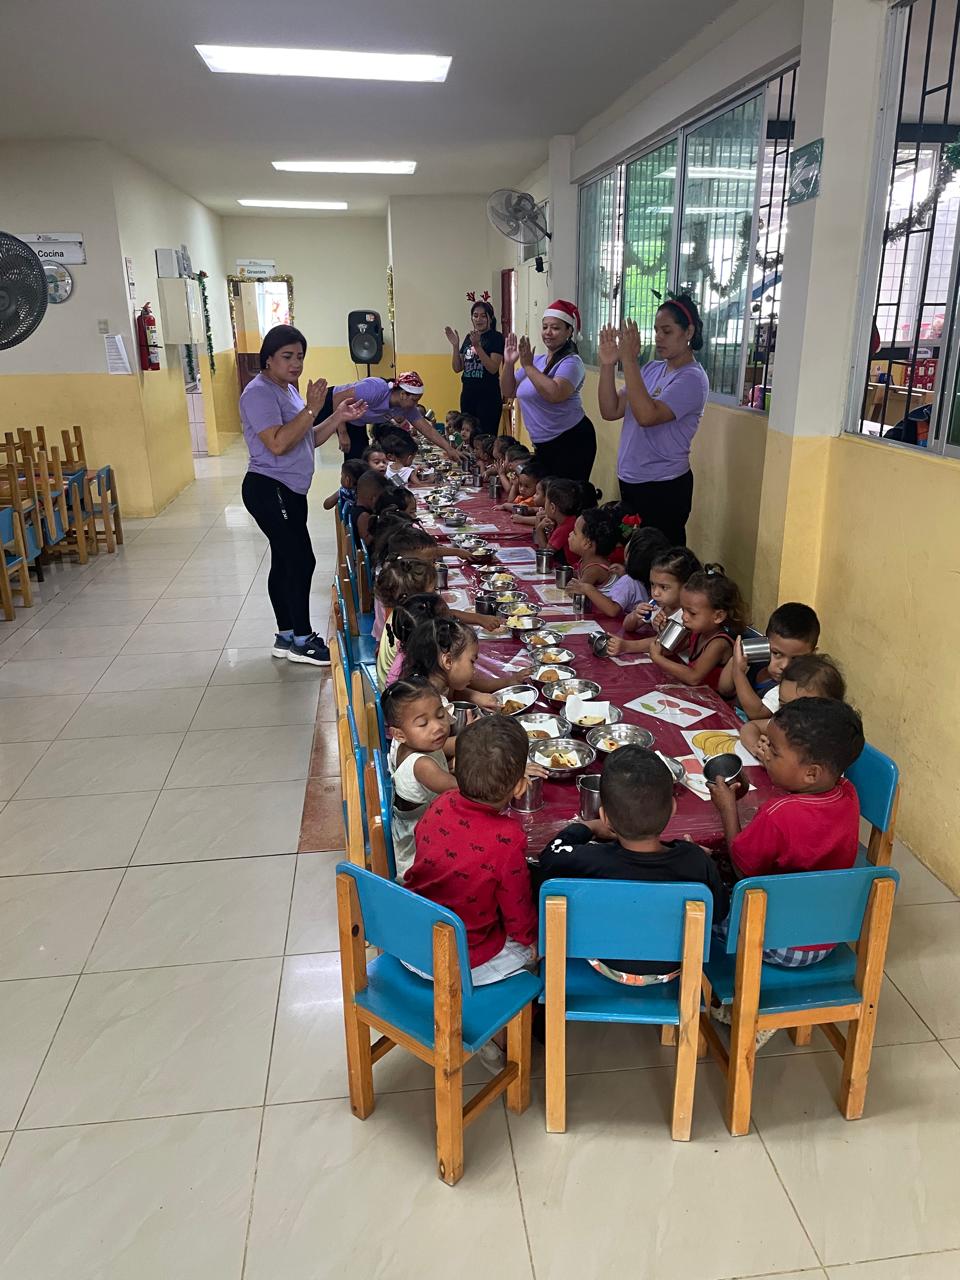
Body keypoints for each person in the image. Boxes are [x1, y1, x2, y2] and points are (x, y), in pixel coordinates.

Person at [533, 746, 728, 985]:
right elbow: (719, 913)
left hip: (607, 963)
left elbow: (550, 855)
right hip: (674, 965)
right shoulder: (696, 860)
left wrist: (588, 827)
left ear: (605, 817)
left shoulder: (587, 860)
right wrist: (692, 853)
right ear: (673, 808)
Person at [240, 324, 368, 667]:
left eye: (299, 356)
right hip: (268, 487)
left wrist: (337, 416)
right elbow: (278, 443)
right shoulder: (259, 393)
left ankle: (285, 635)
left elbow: (306, 438)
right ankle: (302, 639)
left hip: (289, 489)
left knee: (284, 560)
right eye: (287, 356)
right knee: (301, 559)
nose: (295, 363)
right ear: (268, 358)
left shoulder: (287, 390)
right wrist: (312, 408)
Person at [709, 698, 864, 967]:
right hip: (829, 930)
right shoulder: (848, 793)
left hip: (780, 941)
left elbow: (741, 871)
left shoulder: (779, 814)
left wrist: (727, 808)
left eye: (775, 751)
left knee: (697, 901)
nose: (766, 753)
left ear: (811, 774)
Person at [405, 716, 538, 991]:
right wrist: (530, 940)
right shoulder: (509, 837)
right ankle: (523, 1006)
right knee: (535, 949)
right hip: (461, 960)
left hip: (410, 941)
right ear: (519, 787)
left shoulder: (441, 802)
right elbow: (517, 910)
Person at [597, 294, 710, 546]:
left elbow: (647, 416)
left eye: (667, 331)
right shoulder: (651, 369)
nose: (659, 337)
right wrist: (607, 365)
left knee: (659, 558)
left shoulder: (692, 378)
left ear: (688, 332)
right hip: (631, 480)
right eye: (656, 330)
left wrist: (629, 360)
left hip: (663, 486)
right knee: (632, 552)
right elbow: (610, 410)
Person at [501, 300, 597, 481]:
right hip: (543, 444)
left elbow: (555, 394)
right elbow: (509, 391)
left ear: (569, 331)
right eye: (545, 327)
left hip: (571, 440)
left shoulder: (572, 362)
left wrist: (528, 366)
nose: (548, 332)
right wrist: (509, 363)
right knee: (546, 493)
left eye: (555, 328)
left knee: (564, 495)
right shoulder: (536, 361)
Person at [382, 678, 458, 880]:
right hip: (418, 853)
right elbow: (465, 789)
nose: (437, 727)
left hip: (423, 827)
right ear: (399, 734)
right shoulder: (422, 766)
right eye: (423, 723)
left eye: (440, 715)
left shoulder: (411, 742)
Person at [317, 371, 461, 462]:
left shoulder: (406, 407)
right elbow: (338, 398)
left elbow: (427, 430)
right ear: (403, 394)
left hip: (355, 419)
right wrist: (342, 433)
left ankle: (354, 493)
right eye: (414, 400)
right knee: (309, 439)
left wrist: (448, 449)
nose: (416, 404)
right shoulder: (376, 388)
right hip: (329, 404)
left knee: (359, 460)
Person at [650, 564, 747, 689]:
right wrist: (663, 631)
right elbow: (669, 650)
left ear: (718, 616)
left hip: (714, 699)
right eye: (683, 610)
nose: (684, 617)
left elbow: (694, 677)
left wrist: (657, 658)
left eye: (692, 613)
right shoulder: (697, 632)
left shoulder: (718, 643)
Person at [719, 602, 821, 719]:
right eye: (776, 653)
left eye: (796, 659)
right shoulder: (758, 662)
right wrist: (735, 659)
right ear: (764, 643)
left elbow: (757, 713)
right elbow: (724, 690)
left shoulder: (791, 688)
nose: (785, 666)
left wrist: (739, 673)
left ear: (812, 656)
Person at [740, 653, 846, 759]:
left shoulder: (826, 744)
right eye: (782, 705)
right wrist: (756, 747)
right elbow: (750, 727)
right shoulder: (784, 723)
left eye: (800, 709)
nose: (787, 715)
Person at [607, 545, 701, 656]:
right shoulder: (656, 605)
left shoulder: (687, 615)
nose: (655, 592)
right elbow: (628, 626)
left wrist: (626, 646)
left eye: (663, 587)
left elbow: (662, 643)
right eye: (652, 584)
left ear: (686, 586)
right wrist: (636, 614)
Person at [567, 525, 671, 622]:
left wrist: (587, 588)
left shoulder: (628, 581)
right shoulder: (649, 581)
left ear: (630, 555)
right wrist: (625, 573)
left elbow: (612, 610)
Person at [374, 556, 438, 687]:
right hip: (398, 693)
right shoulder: (414, 630)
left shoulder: (399, 616)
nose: (437, 596)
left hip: (388, 686)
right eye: (433, 591)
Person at [445, 298, 505, 434]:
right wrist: (455, 346)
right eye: (475, 316)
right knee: (467, 435)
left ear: (490, 318)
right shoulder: (469, 337)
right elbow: (457, 368)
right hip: (468, 394)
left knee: (485, 437)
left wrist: (477, 346)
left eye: (483, 316)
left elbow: (493, 368)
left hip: (488, 396)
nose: (479, 319)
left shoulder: (496, 337)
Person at [534, 478, 598, 566]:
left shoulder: (564, 527)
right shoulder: (571, 519)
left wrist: (539, 530)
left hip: (574, 568)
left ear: (552, 507)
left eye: (546, 502)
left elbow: (546, 555)